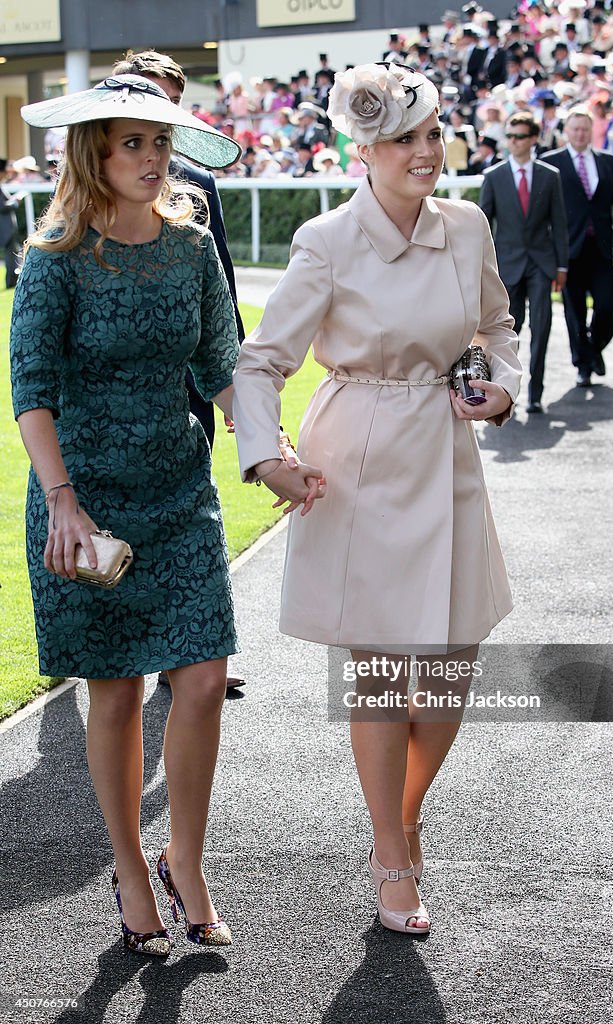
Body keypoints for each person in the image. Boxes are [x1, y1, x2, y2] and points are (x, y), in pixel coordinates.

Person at [231, 63, 521, 935]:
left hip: (448, 451)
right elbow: (261, 362)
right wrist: (266, 458)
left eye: (434, 132)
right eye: (405, 138)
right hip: (357, 464)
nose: (426, 151)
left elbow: (495, 330)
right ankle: (392, 854)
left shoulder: (467, 226)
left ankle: (403, 814)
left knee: (450, 680)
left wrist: (498, 389)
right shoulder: (326, 240)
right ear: (363, 151)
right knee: (383, 678)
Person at [11, 75, 242, 955]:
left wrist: (271, 440)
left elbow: (223, 364)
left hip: (182, 495)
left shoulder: (189, 246)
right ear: (94, 154)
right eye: (132, 144)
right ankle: (130, 867)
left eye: (159, 142)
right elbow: (30, 391)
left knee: (205, 680)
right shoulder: (56, 256)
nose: (152, 159)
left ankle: (186, 856)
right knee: (114, 698)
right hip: (87, 508)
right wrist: (62, 502)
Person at [111, 50, 246, 690]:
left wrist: (248, 403)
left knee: (188, 517)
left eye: (163, 122)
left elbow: (217, 302)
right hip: (102, 434)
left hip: (189, 387)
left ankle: (184, 655)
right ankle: (135, 658)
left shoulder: (199, 194)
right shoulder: (73, 217)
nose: (152, 145)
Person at [479, 110, 568, 413]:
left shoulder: (549, 176)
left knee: (541, 330)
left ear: (532, 139)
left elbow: (559, 223)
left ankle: (537, 393)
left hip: (541, 264)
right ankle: (506, 391)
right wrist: (484, 270)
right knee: (508, 335)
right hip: (507, 267)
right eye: (510, 136)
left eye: (519, 137)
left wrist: (562, 266)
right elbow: (483, 227)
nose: (513, 142)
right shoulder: (494, 177)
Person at [542, 108, 613, 387]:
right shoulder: (550, 163)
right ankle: (583, 364)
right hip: (568, 249)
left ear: (592, 131)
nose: (580, 134)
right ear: (566, 132)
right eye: (575, 129)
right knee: (574, 312)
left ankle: (594, 347)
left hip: (603, 247)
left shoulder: (610, 163)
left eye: (585, 129)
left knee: (608, 306)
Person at [0, 159, 24, 288]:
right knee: (10, 255)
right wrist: (15, 201)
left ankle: (12, 280)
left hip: (7, 226)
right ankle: (10, 281)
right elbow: (2, 206)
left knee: (12, 254)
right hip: (4, 227)